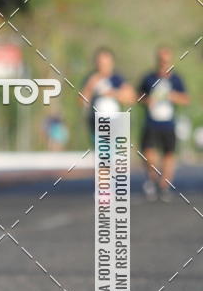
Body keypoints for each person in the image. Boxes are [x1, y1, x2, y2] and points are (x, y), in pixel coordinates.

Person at [139, 46, 189, 201]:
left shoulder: (176, 79)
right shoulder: (149, 78)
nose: (163, 64)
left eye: (166, 61)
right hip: (151, 122)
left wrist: (174, 97)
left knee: (169, 155)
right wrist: (148, 100)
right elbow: (137, 96)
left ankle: (164, 185)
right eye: (161, 61)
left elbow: (186, 99)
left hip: (169, 124)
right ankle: (152, 178)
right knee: (148, 153)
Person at [79, 47, 134, 143]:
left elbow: (131, 98)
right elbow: (81, 101)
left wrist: (113, 93)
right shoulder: (91, 78)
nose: (103, 66)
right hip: (96, 124)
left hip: (115, 123)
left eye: (106, 64)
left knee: (114, 153)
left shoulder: (118, 79)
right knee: (102, 153)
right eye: (100, 63)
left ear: (111, 63)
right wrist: (90, 86)